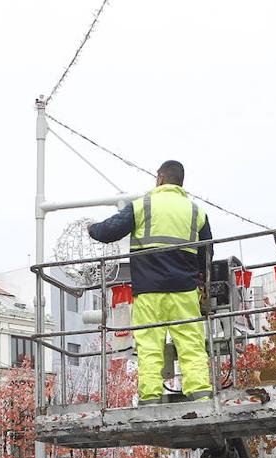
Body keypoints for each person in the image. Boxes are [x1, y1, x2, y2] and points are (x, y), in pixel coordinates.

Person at [88, 160, 213, 405]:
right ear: (180, 181)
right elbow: (207, 253)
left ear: (160, 178)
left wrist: (91, 228)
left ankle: (151, 398)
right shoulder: (196, 211)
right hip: (184, 292)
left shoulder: (143, 205)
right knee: (191, 344)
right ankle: (200, 395)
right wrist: (201, 280)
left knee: (149, 347)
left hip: (148, 292)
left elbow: (107, 232)